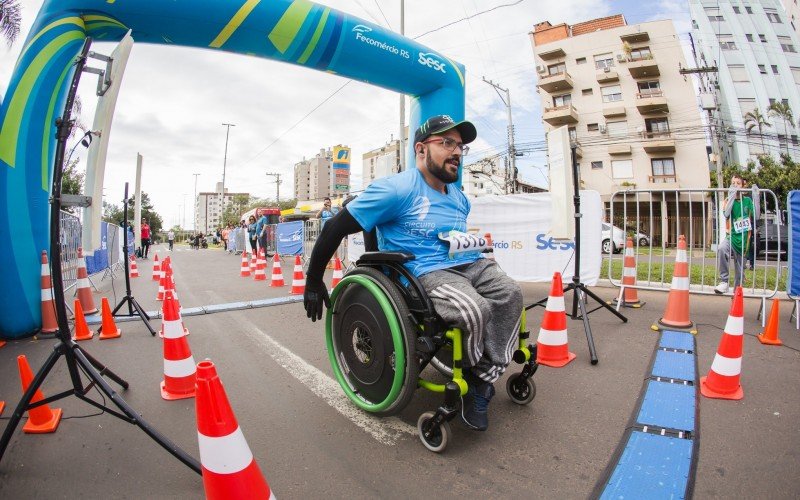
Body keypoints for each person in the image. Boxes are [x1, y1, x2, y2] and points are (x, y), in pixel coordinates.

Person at [303, 115, 522, 431]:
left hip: (468, 263)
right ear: (421, 149)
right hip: (424, 271)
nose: (457, 151)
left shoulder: (459, 198)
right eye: (447, 143)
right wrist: (312, 279)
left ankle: (482, 376)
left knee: (511, 294)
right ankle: (477, 375)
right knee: (474, 309)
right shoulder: (396, 189)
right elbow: (335, 227)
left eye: (460, 145)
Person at [715, 174, 760, 294]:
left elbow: (757, 215)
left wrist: (756, 197)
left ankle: (736, 297)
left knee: (739, 274)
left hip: (744, 242)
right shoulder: (727, 201)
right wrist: (731, 196)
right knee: (722, 248)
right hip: (731, 237)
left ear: (743, 186)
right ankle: (724, 281)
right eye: (733, 183)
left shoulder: (747, 201)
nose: (735, 186)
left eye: (738, 183)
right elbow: (726, 214)